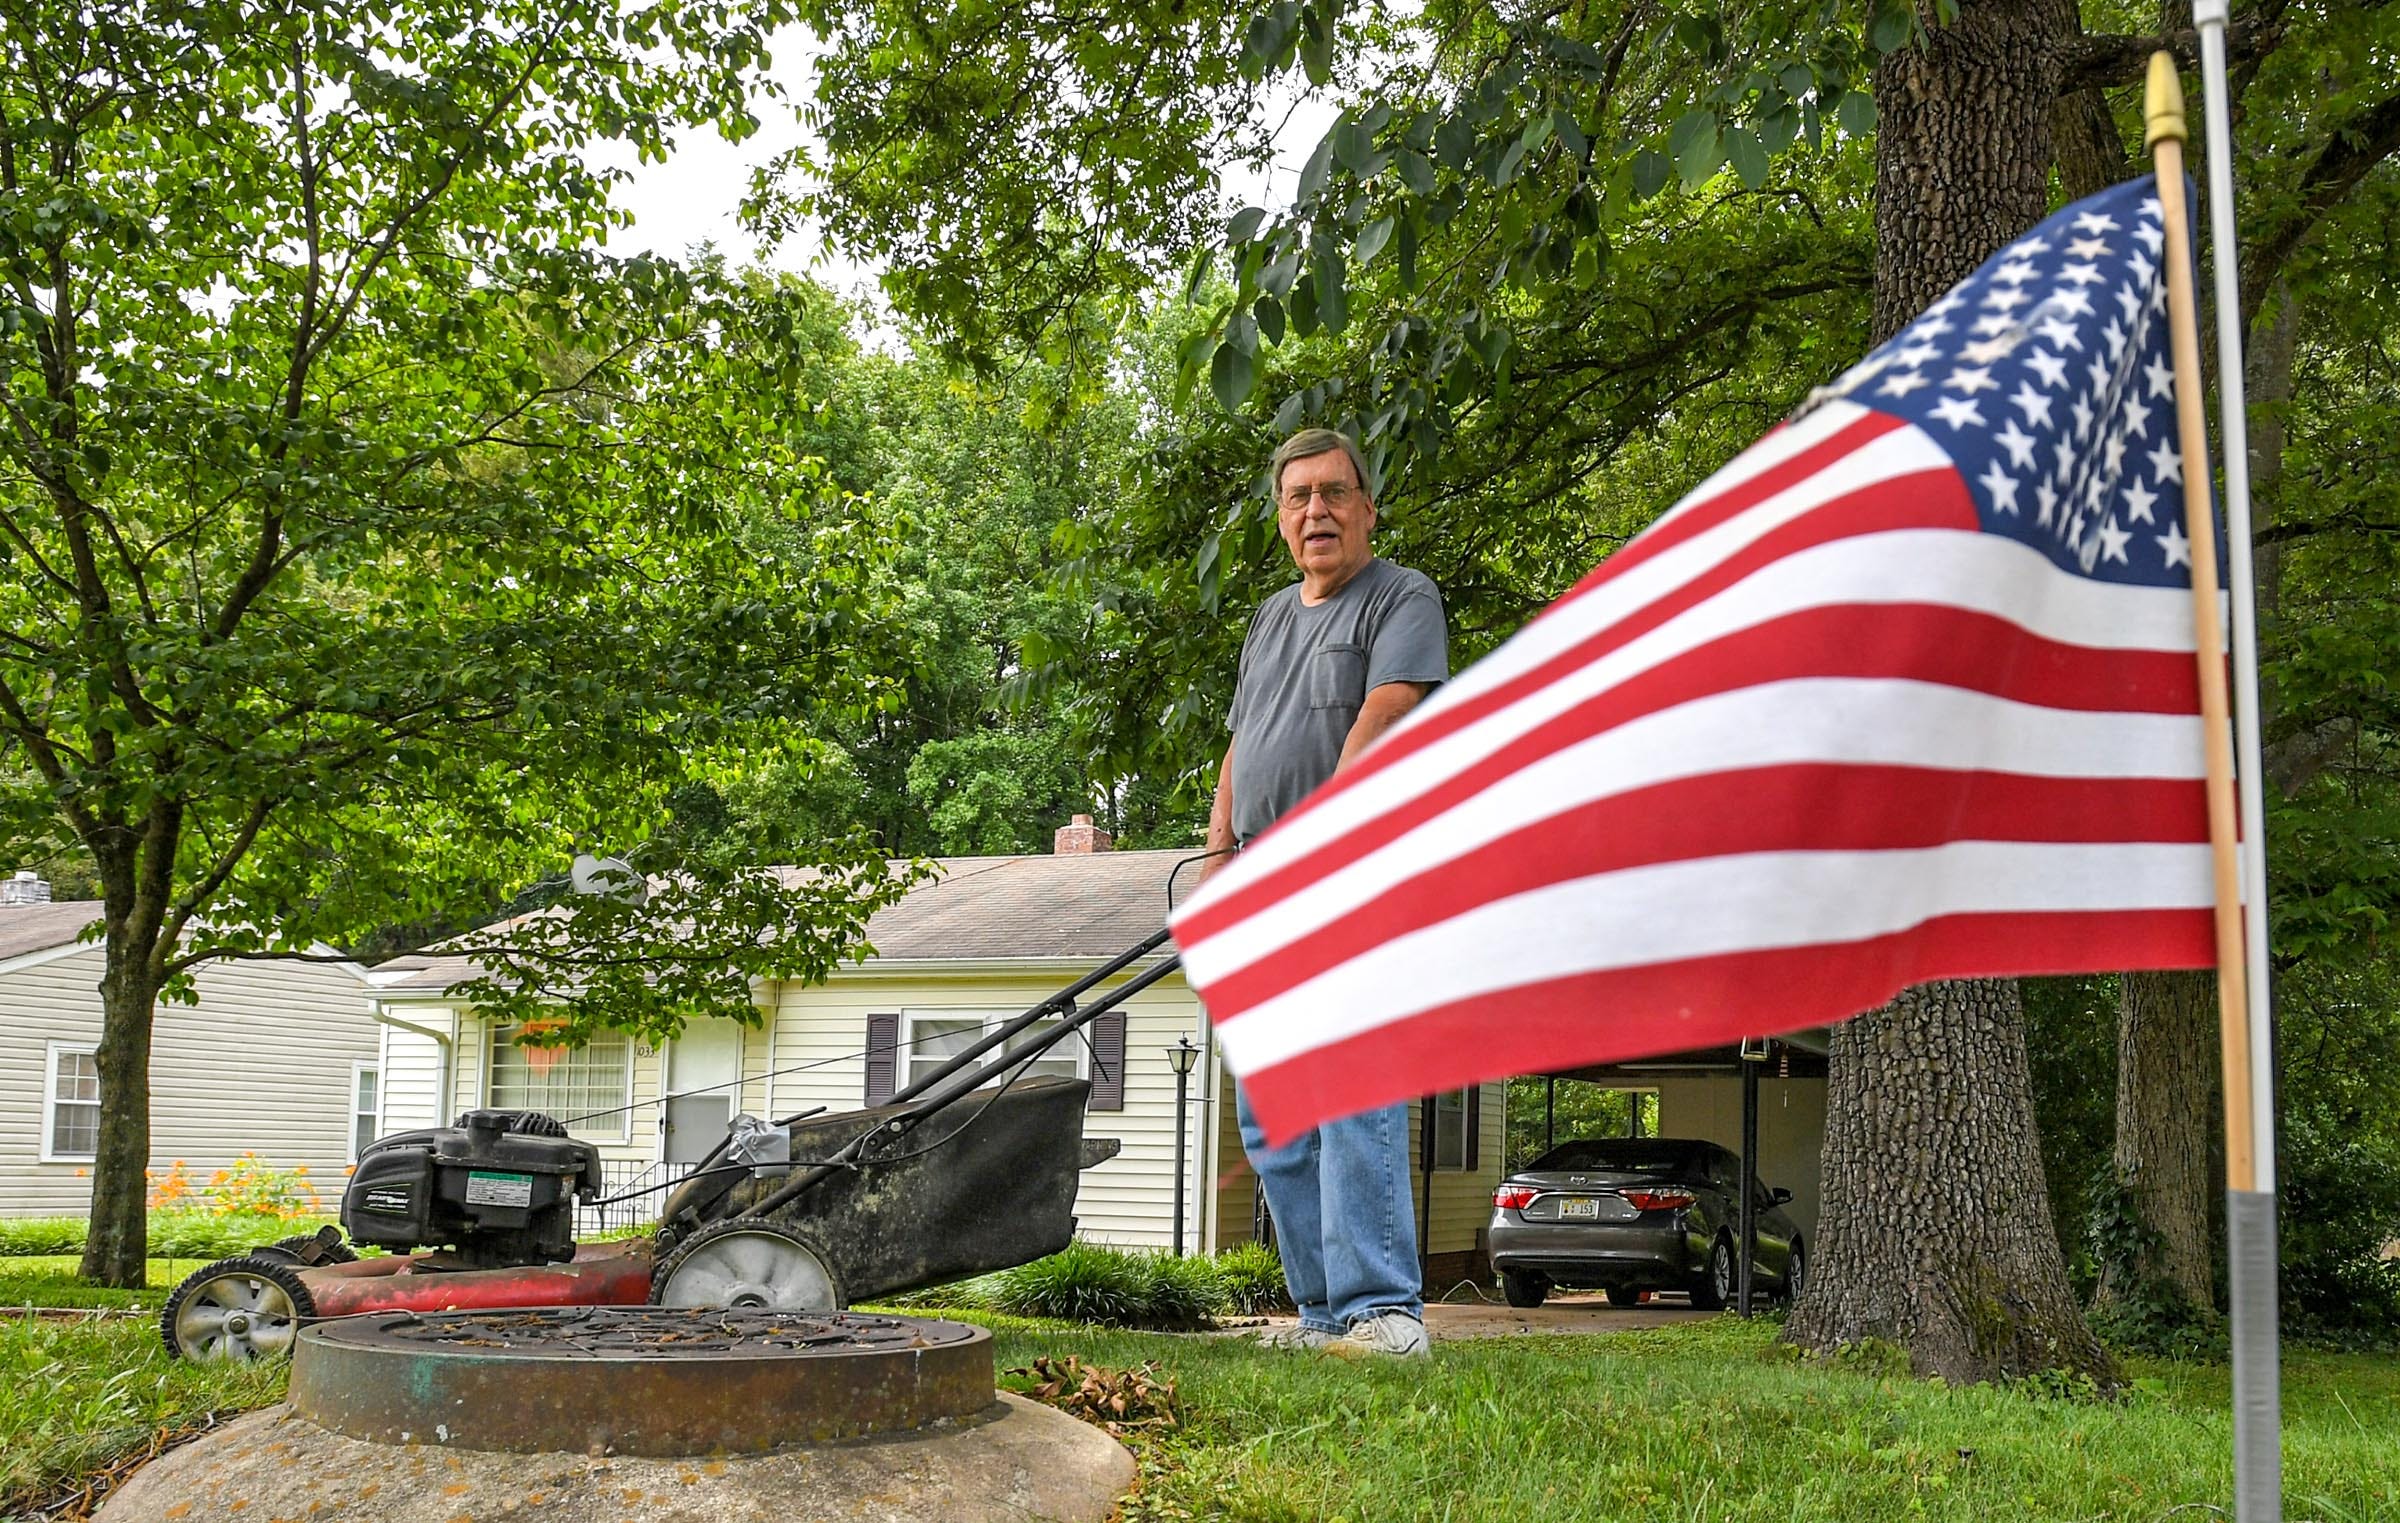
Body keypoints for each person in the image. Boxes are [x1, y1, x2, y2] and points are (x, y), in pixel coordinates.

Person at [1201, 427, 1448, 1359]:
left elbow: (1384, 717)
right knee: (1275, 1114)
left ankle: (1387, 1311)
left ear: (1367, 506)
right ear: (1279, 515)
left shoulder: (1399, 596)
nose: (1317, 512)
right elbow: (1244, 741)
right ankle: (1323, 1314)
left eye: (1335, 493)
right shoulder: (1269, 618)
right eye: (1299, 496)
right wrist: (1221, 850)